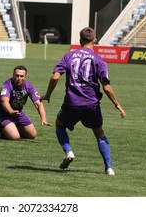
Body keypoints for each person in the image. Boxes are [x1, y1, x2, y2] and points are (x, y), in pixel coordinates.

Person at [41, 27, 126, 175]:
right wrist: (117, 104)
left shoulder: (69, 56)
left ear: (80, 40)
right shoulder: (99, 60)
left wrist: (48, 94)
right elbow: (106, 87)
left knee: (60, 125)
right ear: (95, 40)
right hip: (91, 104)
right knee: (99, 133)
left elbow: (55, 77)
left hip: (72, 103)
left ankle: (68, 152)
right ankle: (109, 167)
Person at [0, 65, 50, 140]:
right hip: (2, 114)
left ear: (25, 77)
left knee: (32, 135)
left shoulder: (29, 86)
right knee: (15, 137)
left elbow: (38, 104)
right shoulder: (6, 85)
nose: (19, 78)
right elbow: (4, 101)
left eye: (22, 76)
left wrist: (43, 118)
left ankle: (11, 127)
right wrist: (10, 111)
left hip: (18, 113)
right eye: (17, 76)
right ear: (13, 75)